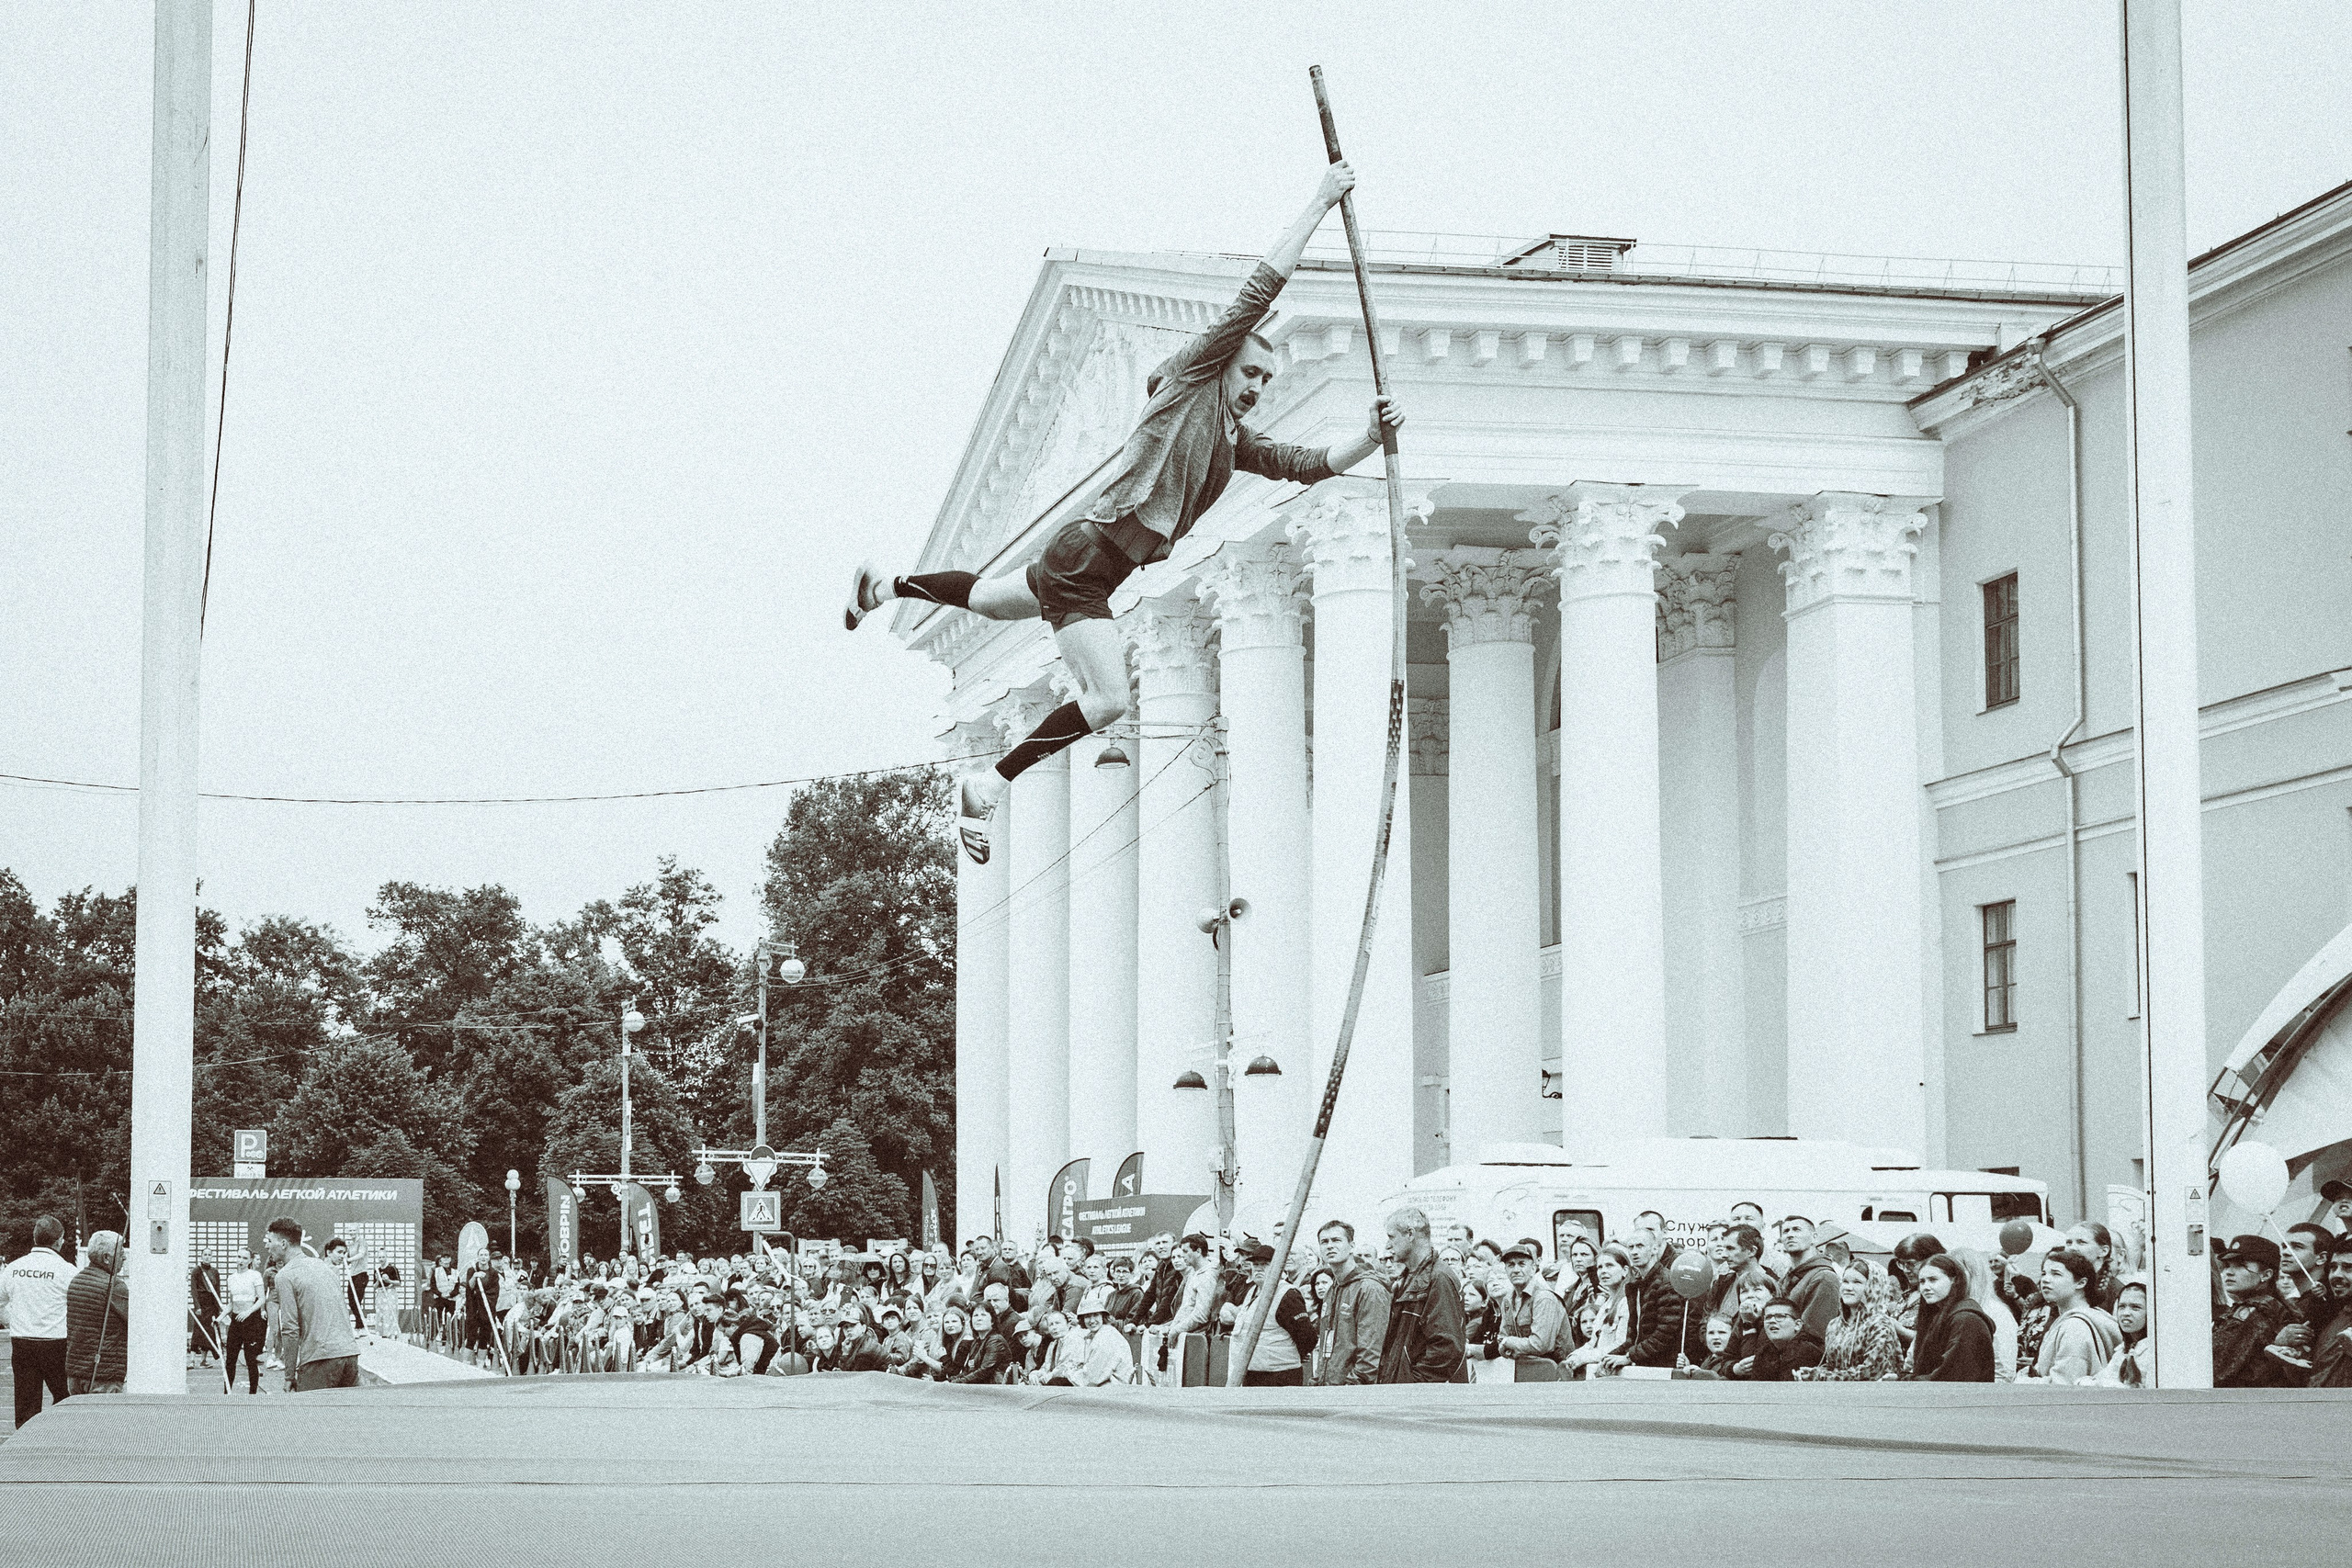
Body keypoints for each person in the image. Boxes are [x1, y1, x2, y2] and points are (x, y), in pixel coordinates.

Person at [846, 160, 1406, 864]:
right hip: (1088, 559)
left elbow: (1307, 463)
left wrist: (1370, 437)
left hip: (1086, 561)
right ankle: (986, 785)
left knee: (986, 599)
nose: (1257, 388)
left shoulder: (1231, 441)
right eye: (1251, 372)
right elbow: (1261, 288)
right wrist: (1320, 201)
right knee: (1107, 699)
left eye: (1267, 380)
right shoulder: (1192, 380)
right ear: (1224, 362)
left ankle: (882, 586)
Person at [265, 1217, 362, 1390]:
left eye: (270, 1241)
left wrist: (289, 1375)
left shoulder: (284, 1276)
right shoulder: (323, 1267)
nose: (267, 1246)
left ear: (283, 1244)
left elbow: (290, 1329)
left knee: (309, 1408)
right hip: (350, 1354)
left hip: (320, 1359)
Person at [1377, 1207, 1467, 1384]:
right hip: (1405, 1389)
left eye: (1391, 1237)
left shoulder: (1439, 1278)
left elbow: (1447, 1348)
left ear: (1410, 1234)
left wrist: (1413, 1383)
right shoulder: (1406, 1279)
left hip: (1422, 1394)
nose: (1388, 1245)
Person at [2, 1215, 73, 1425]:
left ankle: (26, 1440)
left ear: (35, 1238)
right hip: (56, 1343)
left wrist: (11, 1321)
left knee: (26, 1404)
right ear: (59, 1241)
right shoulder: (67, 1270)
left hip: (22, 1341)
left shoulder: (13, 1268)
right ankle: (62, 1434)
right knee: (64, 1398)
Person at [2018, 1249, 2120, 1385]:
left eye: (2056, 1274)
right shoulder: (2080, 1318)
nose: (2045, 1280)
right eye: (2044, 1273)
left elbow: (2063, 1386)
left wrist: (2023, 1380)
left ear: (2081, 1283)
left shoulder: (2075, 1327)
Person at [1222, 1241, 1316, 1387]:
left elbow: (1307, 1337)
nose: (1259, 1268)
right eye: (1256, 1264)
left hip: (1280, 1376)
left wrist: (1295, 1355)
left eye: (1265, 1264)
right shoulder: (1252, 1291)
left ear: (1277, 1267)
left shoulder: (1287, 1295)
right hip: (1252, 1374)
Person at [2209, 1234, 2292, 1388]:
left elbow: (2215, 1370)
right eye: (2227, 1265)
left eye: (2240, 1265)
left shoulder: (2256, 1311)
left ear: (2266, 1275)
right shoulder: (2268, 1306)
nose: (2229, 1272)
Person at [1314, 1219, 1389, 1387]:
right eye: (1324, 1242)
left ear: (1351, 1246)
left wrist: (1353, 1387)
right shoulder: (1332, 1290)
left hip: (1352, 1391)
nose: (1330, 1246)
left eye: (1336, 1240)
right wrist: (1318, 1380)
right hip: (1329, 1387)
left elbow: (1370, 1351)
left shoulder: (1369, 1288)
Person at [1798, 1261, 1903, 1382]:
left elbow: (1872, 1372)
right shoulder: (1834, 1325)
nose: (1848, 1288)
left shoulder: (1880, 1323)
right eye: (1845, 1281)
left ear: (1873, 1286)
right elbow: (1832, 1367)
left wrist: (1820, 1376)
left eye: (1857, 1282)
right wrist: (1813, 1373)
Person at [1904, 1254, 1996, 1382]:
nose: (1926, 1287)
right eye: (1922, 1281)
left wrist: (1904, 1380)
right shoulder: (1941, 1316)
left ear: (1954, 1280)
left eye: (1933, 1280)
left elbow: (1949, 1378)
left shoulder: (1967, 1320)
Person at [63, 1231, 131, 1396]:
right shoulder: (114, 1286)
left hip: (75, 1373)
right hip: (104, 1375)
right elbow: (137, 1322)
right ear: (106, 1258)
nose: (124, 1258)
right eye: (121, 1253)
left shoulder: (76, 1281)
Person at [1489, 1242, 1569, 1369]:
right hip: (1525, 1369)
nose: (1516, 1270)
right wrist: (1508, 1344)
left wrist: (1510, 1342)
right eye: (1511, 1265)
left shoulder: (1544, 1297)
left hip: (1557, 1371)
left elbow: (1540, 1345)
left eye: (1522, 1264)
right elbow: (1501, 1339)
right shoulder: (1508, 1300)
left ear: (1533, 1269)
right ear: (1506, 1270)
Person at [1564, 1243, 1632, 1378]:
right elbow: (1592, 1342)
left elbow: (1620, 1344)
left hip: (1617, 1374)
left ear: (1625, 1270)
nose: (1603, 1271)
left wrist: (1584, 1358)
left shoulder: (1627, 1302)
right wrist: (1575, 1355)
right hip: (1601, 1372)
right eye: (1600, 1267)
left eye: (1609, 1266)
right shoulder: (1606, 1304)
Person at [1774, 1216, 1841, 1343]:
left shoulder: (1824, 1277)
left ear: (1814, 1237)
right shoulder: (1785, 1279)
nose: (1790, 1235)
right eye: (1786, 1231)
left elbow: (1814, 1334)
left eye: (1797, 1229)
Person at [1733, 1298, 1823, 1381]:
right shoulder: (1764, 1352)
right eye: (1768, 1317)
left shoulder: (1808, 1352)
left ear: (1797, 1325)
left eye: (1780, 1316)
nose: (1772, 1321)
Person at [1064, 1288, 1135, 1387]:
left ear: (1103, 1317)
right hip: (1102, 1385)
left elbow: (1093, 1377)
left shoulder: (1106, 1336)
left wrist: (1068, 1374)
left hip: (1113, 1388)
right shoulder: (1095, 1334)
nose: (1092, 1321)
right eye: (1087, 1316)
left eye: (1096, 1315)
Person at [221, 1248, 269, 1395]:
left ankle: (252, 1395)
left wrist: (248, 1312)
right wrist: (220, 1317)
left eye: (244, 1258)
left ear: (250, 1261)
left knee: (250, 1360)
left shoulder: (255, 1275)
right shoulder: (231, 1278)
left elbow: (262, 1299)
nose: (241, 1261)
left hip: (250, 1322)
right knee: (230, 1361)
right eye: (239, 1257)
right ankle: (227, 1394)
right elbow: (232, 1303)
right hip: (236, 1322)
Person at [2089, 1280, 2152, 1387]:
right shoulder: (2121, 1352)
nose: (2126, 1313)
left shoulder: (2154, 1353)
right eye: (2122, 1307)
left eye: (2135, 1307)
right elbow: (2102, 1379)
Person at [187, 1249, 222, 1365]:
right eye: (205, 1255)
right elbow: (193, 1290)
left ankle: (203, 1360)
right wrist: (197, 1306)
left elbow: (217, 1291)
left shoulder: (215, 1272)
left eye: (209, 1255)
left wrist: (219, 1308)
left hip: (211, 1305)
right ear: (201, 1256)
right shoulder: (196, 1270)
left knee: (210, 1332)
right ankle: (192, 1360)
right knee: (198, 1331)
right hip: (201, 1305)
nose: (207, 1257)